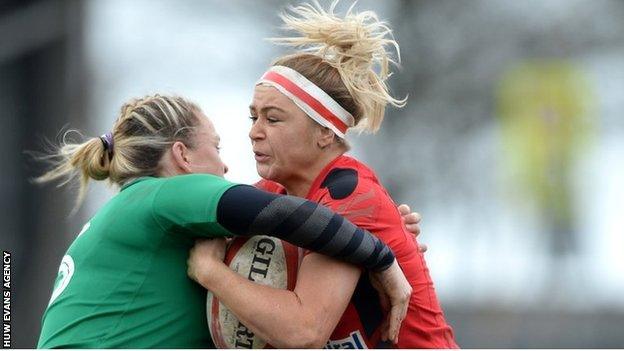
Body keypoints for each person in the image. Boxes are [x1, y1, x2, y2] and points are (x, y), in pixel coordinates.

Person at [35, 94, 413, 348]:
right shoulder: (160, 195)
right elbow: (287, 216)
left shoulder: (139, 218)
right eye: (215, 147)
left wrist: (385, 228)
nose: (225, 166)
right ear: (181, 155)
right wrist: (381, 257)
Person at [187, 2, 458, 348]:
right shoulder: (274, 194)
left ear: (325, 133)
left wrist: (211, 273)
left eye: (273, 119)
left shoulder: (350, 196)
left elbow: (304, 333)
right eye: (253, 117)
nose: (254, 132)